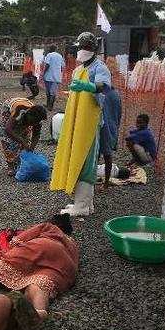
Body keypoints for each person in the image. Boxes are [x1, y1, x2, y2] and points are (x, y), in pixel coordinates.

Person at [50, 31, 112, 217]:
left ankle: (83, 206)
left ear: (94, 49)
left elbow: (104, 85)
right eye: (81, 46)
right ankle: (83, 202)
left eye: (87, 47)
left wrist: (90, 87)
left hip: (89, 124)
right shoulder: (78, 69)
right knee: (75, 156)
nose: (83, 50)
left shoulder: (99, 67)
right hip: (76, 121)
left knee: (86, 160)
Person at [0, 98, 48, 176]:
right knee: (8, 139)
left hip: (25, 108)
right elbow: (8, 129)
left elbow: (36, 135)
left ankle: (20, 162)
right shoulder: (19, 110)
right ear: (28, 114)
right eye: (32, 121)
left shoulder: (37, 120)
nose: (34, 123)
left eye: (36, 122)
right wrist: (21, 141)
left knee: (25, 136)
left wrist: (31, 147)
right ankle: (10, 164)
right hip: (9, 107)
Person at [99, 85, 122, 187]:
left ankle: (97, 180)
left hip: (103, 127)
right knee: (107, 155)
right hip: (112, 128)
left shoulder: (102, 94)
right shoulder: (116, 94)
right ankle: (106, 182)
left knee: (97, 155)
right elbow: (119, 114)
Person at [42, 45, 65, 111]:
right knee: (53, 92)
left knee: (48, 92)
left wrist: (44, 73)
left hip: (48, 76)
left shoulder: (49, 55)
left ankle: (48, 105)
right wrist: (59, 73)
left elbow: (47, 65)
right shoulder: (60, 56)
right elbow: (62, 66)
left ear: (50, 49)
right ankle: (50, 106)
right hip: (56, 77)